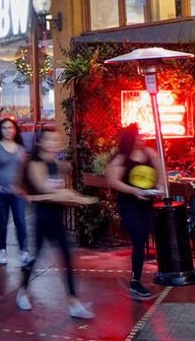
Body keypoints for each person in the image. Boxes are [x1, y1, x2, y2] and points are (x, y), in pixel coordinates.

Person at [19, 123, 95, 318]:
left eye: (56, 140)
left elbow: (58, 188)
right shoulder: (35, 163)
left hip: (57, 216)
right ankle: (23, 291)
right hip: (43, 216)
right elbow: (45, 189)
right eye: (50, 139)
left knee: (67, 256)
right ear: (41, 142)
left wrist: (72, 197)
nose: (54, 143)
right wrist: (72, 195)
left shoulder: (55, 163)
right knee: (36, 256)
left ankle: (73, 302)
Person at [105, 123, 165, 300]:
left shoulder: (149, 154)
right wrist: (133, 190)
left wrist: (160, 187)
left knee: (143, 236)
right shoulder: (122, 158)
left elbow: (161, 172)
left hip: (146, 203)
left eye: (140, 136)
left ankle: (135, 279)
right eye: (136, 136)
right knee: (138, 237)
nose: (140, 139)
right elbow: (113, 180)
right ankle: (135, 281)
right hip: (129, 204)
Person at [0, 116, 30, 272]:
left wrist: (24, 187)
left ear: (15, 130)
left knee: (20, 221)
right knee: (3, 220)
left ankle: (23, 251)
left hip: (17, 192)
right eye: (4, 128)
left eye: (10, 128)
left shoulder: (21, 149)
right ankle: (2, 250)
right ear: (0, 130)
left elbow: (24, 170)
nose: (7, 131)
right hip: (1, 191)